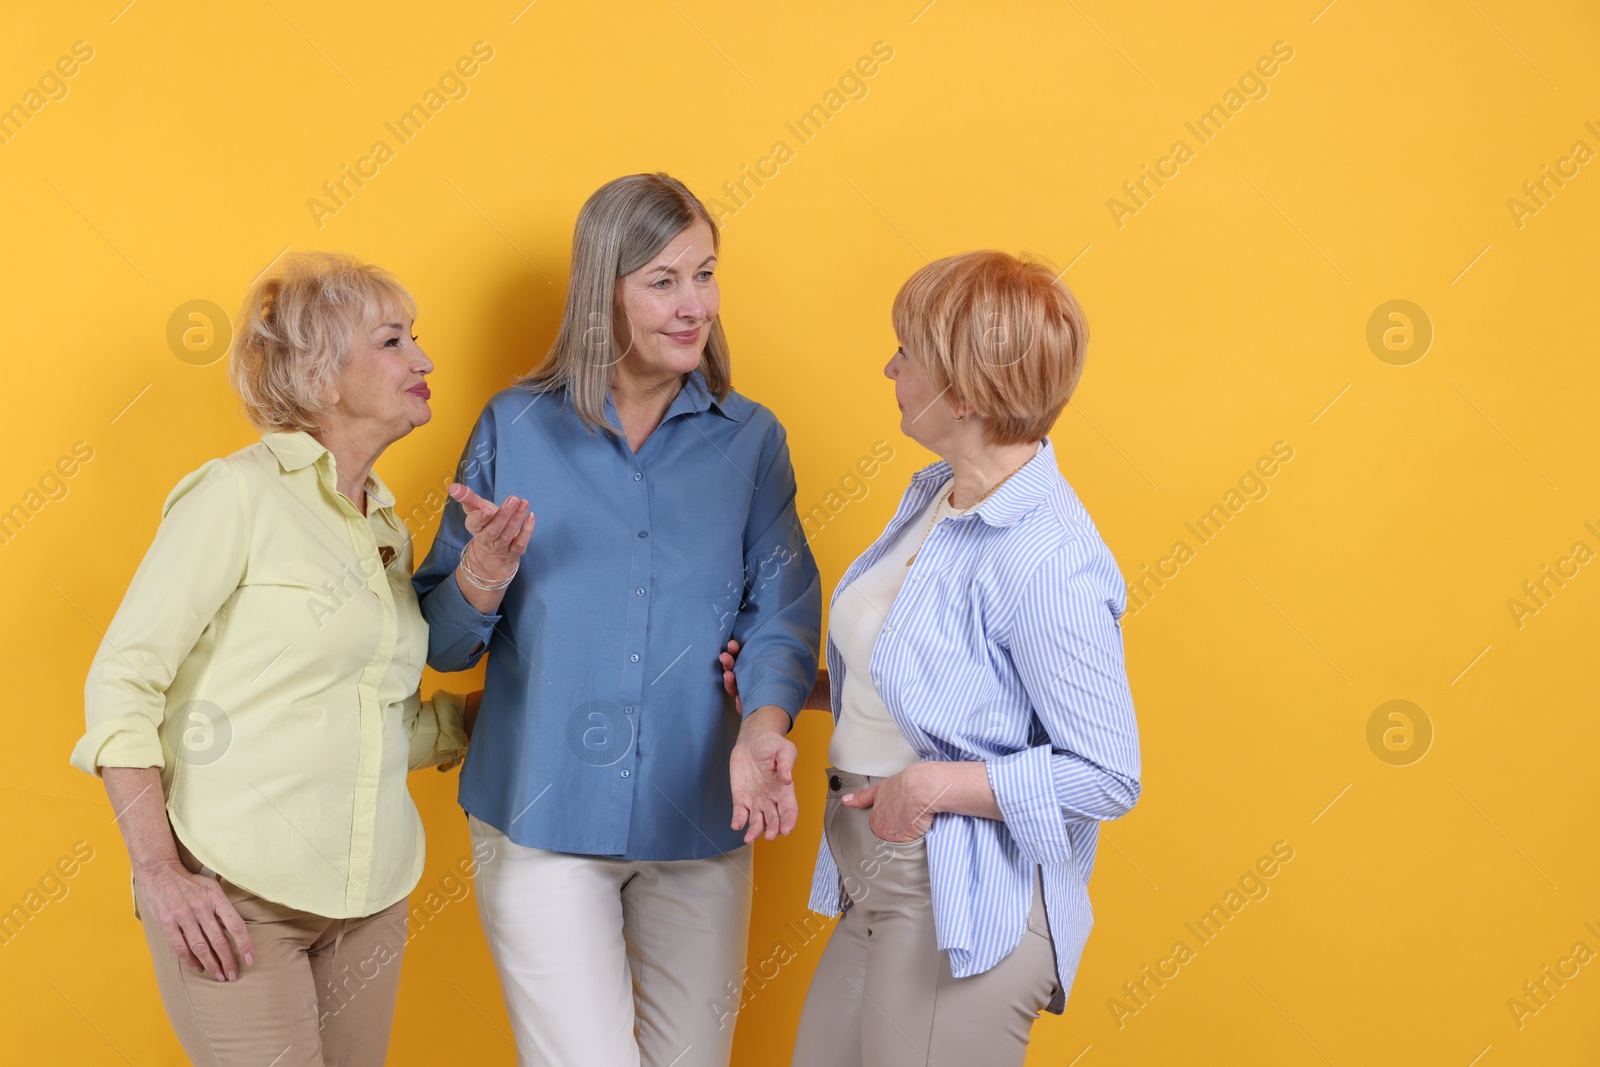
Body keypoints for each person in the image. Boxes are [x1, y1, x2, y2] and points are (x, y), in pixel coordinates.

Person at [412, 172, 822, 1067]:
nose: (694, 306)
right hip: (540, 814)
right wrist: (481, 575)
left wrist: (762, 726)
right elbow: (441, 642)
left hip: (703, 819)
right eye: (663, 281)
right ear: (606, 289)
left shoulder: (752, 442)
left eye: (705, 274)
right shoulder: (514, 427)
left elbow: (783, 614)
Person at [70, 251, 483, 1067]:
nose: (425, 360)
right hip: (235, 891)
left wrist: (484, 715)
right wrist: (160, 871)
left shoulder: (386, 528)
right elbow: (124, 679)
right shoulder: (236, 496)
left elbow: (365, 713)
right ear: (322, 375)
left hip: (370, 898)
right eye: (394, 340)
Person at [789, 250, 1142, 1066]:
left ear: (969, 386)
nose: (889, 367)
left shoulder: (1044, 553)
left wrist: (929, 785)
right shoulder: (936, 498)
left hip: (963, 887)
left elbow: (1108, 772)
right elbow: (944, 682)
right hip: (873, 870)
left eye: (907, 353)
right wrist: (795, 691)